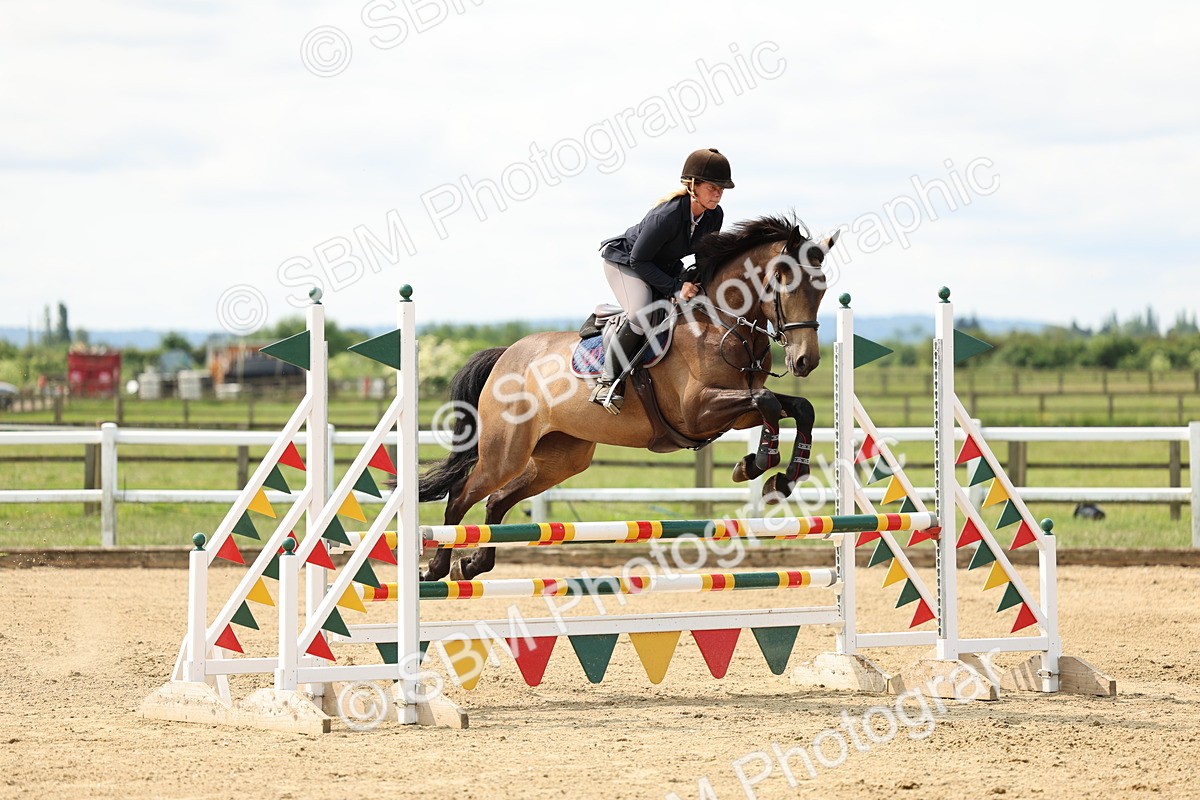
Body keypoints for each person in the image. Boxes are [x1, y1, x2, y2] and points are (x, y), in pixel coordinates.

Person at [591, 148, 733, 413]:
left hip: (661, 265)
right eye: (713, 187)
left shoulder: (714, 215)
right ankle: (606, 382)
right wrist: (676, 287)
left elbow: (704, 257)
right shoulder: (666, 216)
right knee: (642, 312)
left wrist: (700, 282)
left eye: (722, 189)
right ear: (692, 185)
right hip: (625, 262)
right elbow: (639, 260)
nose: (718, 194)